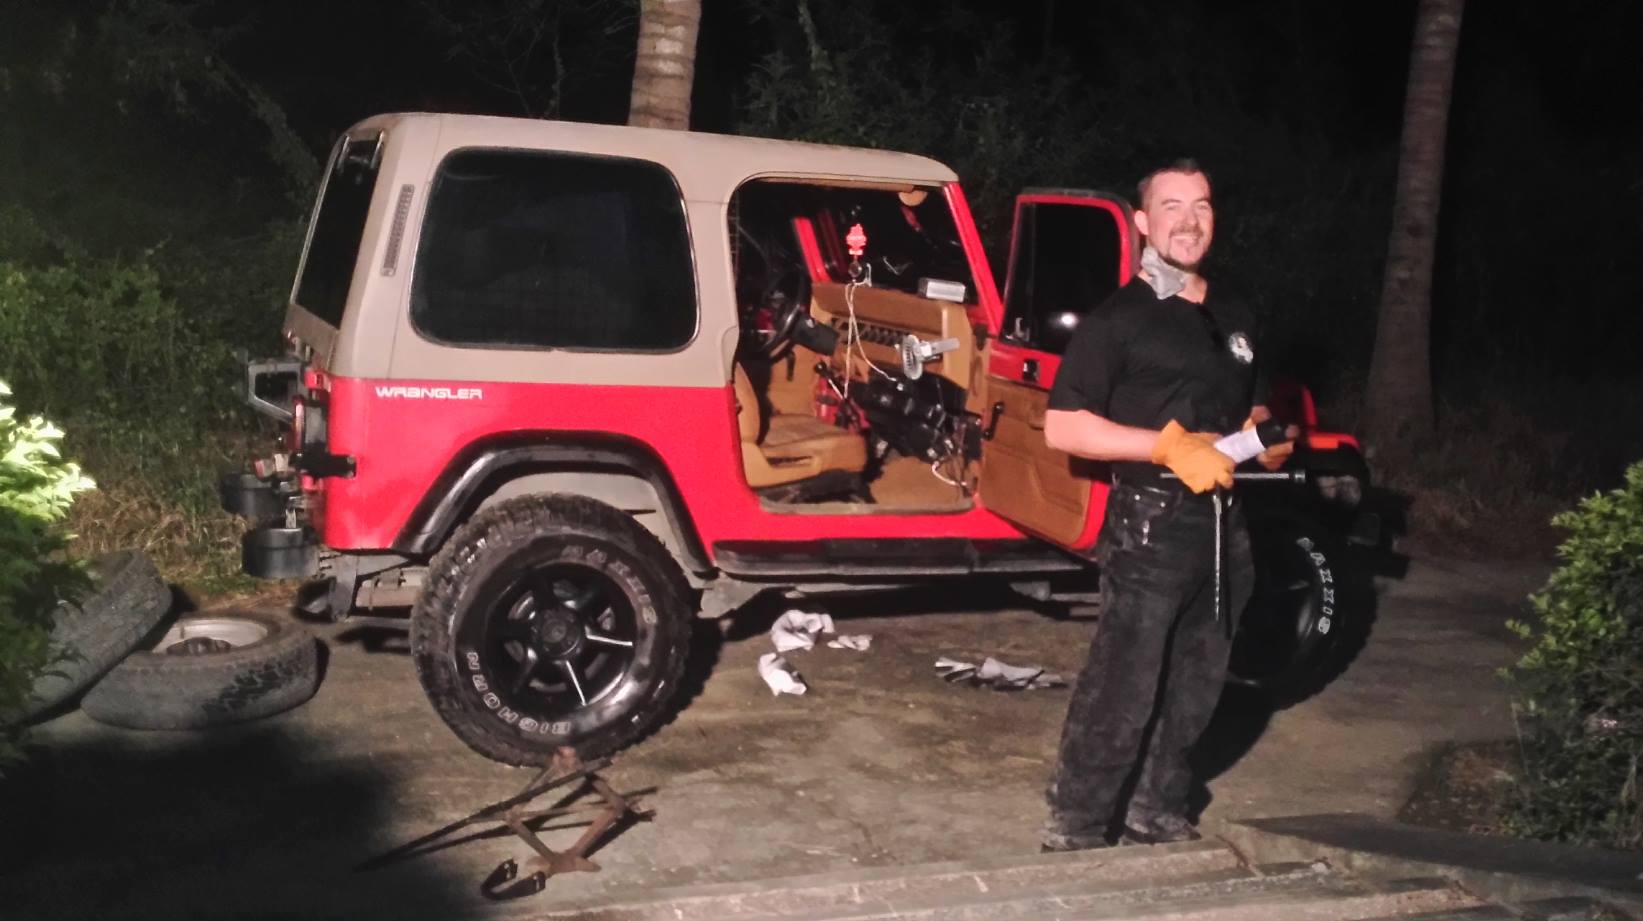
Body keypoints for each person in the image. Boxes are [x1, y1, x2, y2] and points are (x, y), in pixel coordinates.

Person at [1038, 159, 1292, 850]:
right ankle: (1079, 821)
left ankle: (1155, 805)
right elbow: (1062, 426)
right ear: (1142, 223)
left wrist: (1264, 434)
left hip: (1223, 520)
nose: (1189, 220)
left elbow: (1254, 394)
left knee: (1199, 681)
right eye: (1171, 206)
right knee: (1123, 683)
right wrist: (1168, 447)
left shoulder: (1233, 310)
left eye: (1202, 206)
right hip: (1149, 524)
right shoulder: (1117, 319)